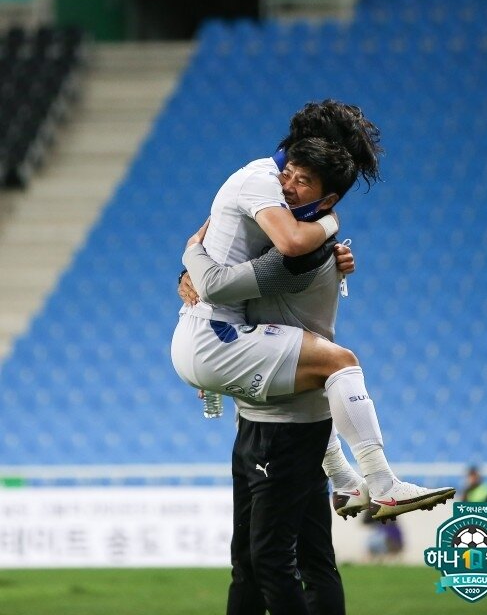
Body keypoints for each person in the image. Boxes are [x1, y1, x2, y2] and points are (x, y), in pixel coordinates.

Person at [172, 125, 455, 523]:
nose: (286, 186)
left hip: (210, 341)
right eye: (288, 173)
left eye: (301, 180)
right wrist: (190, 255)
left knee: (318, 375)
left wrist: (190, 256)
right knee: (339, 362)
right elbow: (223, 280)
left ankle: (346, 483)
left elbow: (241, 256)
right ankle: (383, 485)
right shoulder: (286, 223)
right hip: (216, 344)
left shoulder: (287, 222)